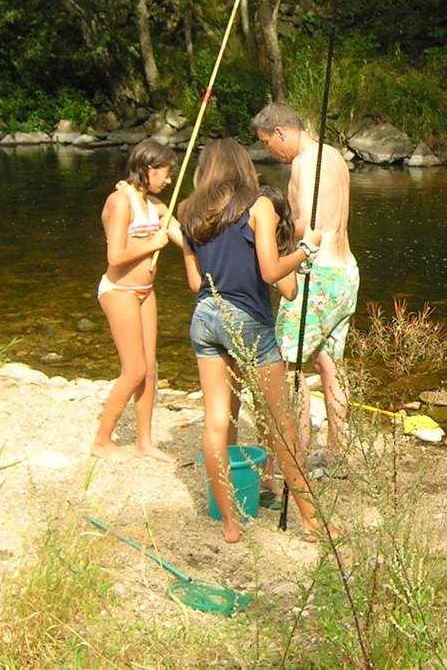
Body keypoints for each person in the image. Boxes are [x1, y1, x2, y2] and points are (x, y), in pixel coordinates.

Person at [177, 138, 327, 543]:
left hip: (206, 318)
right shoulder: (258, 206)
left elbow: (195, 283)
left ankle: (229, 524)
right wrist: (305, 250)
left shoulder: (188, 211)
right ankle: (312, 523)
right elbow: (269, 271)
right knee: (282, 428)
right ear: (243, 166)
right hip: (248, 322)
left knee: (215, 421)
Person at [252, 103, 360, 468]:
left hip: (319, 275)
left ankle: (292, 458)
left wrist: (261, 225)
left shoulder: (303, 163)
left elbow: (305, 226)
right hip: (347, 271)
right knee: (330, 363)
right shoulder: (334, 157)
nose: (269, 151)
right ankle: (336, 454)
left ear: (280, 132)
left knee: (288, 367)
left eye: (267, 143)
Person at [90, 139, 186, 463]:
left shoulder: (156, 206)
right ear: (149, 168)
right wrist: (152, 243)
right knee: (133, 369)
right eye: (166, 173)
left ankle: (144, 442)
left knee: (150, 368)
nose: (169, 180)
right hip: (119, 292)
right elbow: (115, 256)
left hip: (146, 293)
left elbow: (185, 240)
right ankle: (102, 441)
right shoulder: (120, 202)